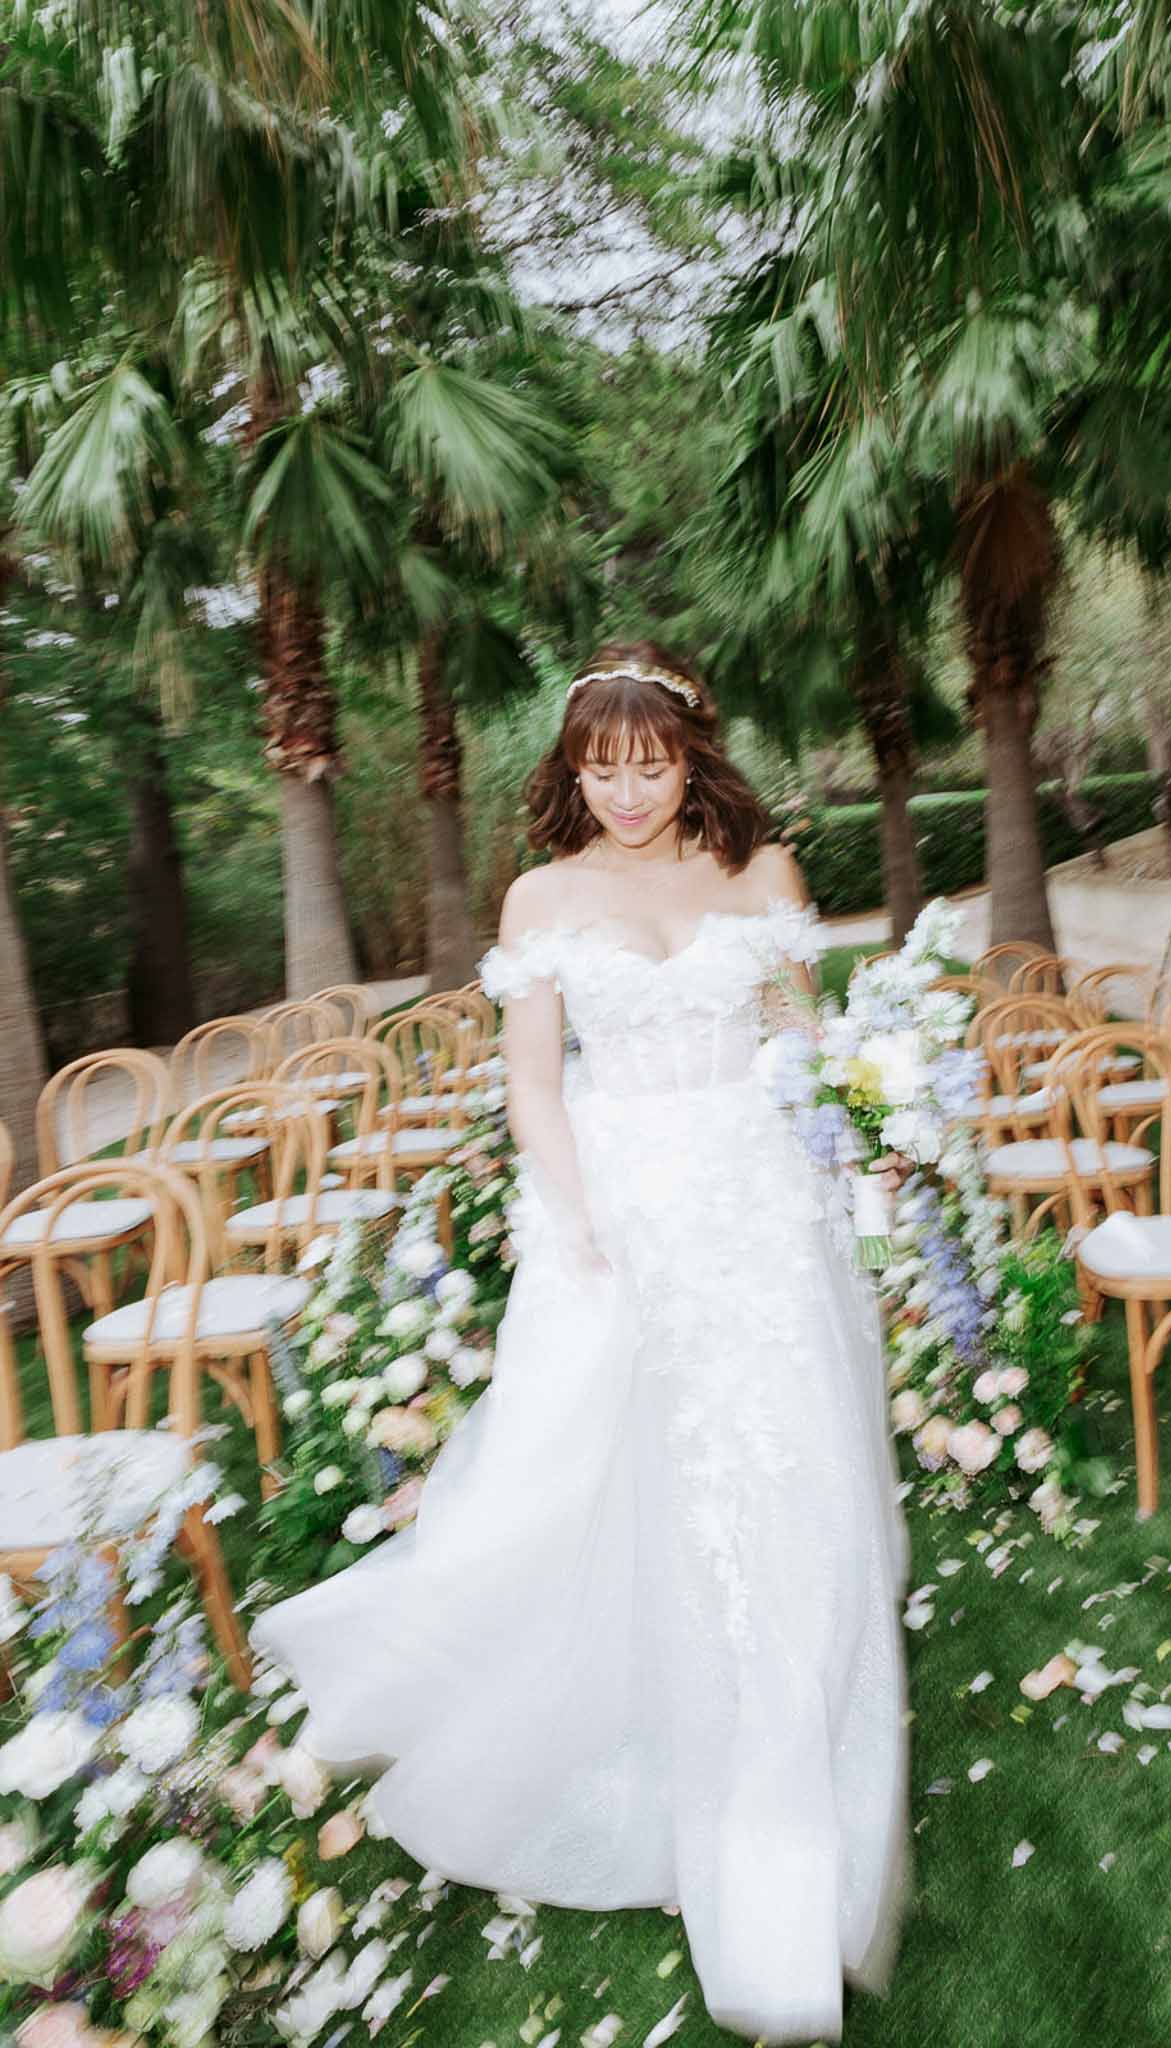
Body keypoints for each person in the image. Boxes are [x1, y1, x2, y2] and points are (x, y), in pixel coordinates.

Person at [252, 643, 911, 2043]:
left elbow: (798, 1035)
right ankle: (624, 1731)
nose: (626, 792)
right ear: (572, 774)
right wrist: (589, 1218)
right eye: (600, 769)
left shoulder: (766, 873)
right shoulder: (541, 897)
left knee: (785, 1486)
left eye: (651, 763)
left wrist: (837, 1137)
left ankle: (790, 1766)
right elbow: (533, 1087)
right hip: (613, 1217)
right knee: (592, 1491)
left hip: (758, 1215)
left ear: (692, 756)